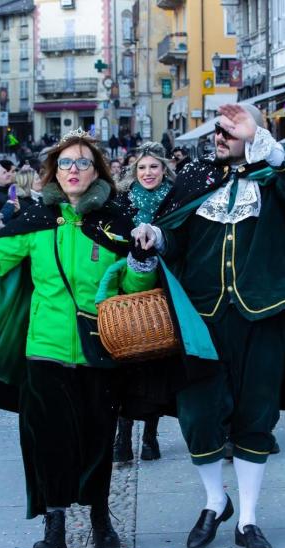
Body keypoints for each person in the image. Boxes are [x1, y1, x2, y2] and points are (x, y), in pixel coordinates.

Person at [132, 104, 285, 548]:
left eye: (230, 130)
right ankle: (215, 501)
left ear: (254, 133)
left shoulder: (276, 175)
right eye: (217, 131)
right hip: (201, 315)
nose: (220, 137)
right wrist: (157, 238)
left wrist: (267, 147)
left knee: (256, 414)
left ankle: (250, 519)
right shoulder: (196, 176)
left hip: (263, 311)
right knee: (197, 413)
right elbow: (176, 233)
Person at [0, 128, 158, 548]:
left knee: (97, 438)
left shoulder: (116, 221)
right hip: (44, 352)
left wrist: (143, 263)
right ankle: (55, 528)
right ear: (53, 172)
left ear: (97, 172)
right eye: (65, 163)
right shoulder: (35, 221)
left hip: (100, 351)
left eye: (83, 162)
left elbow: (133, 287)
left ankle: (101, 513)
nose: (73, 170)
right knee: (48, 440)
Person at [111, 141, 178, 463]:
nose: (148, 173)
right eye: (142, 167)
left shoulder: (176, 200)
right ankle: (122, 438)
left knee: (158, 361)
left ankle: (150, 436)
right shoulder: (122, 203)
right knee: (127, 360)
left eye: (153, 167)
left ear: (164, 169)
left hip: (168, 288)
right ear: (133, 172)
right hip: (130, 290)